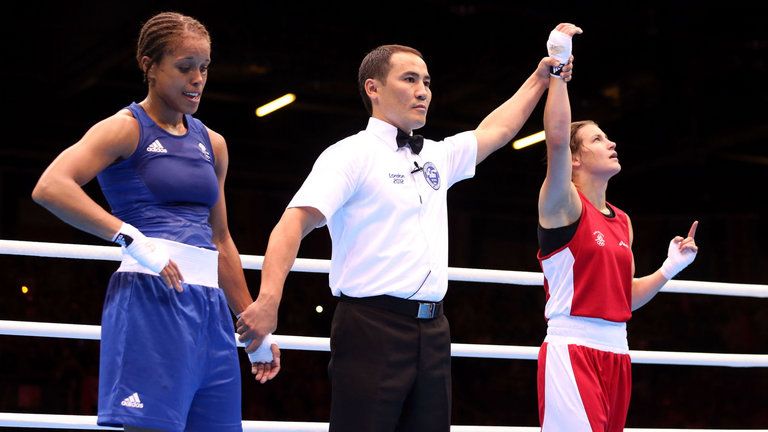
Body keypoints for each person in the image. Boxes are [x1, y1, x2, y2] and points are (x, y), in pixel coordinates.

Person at [236, 24, 575, 431]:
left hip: (434, 330)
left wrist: (541, 77)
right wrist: (269, 299)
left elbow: (496, 130)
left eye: (427, 82)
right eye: (410, 79)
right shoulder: (350, 154)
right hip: (370, 325)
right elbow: (291, 224)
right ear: (373, 88)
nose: (423, 91)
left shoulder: (436, 155)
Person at [31, 11, 279, 432]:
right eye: (184, 67)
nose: (197, 79)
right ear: (149, 66)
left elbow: (221, 239)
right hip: (151, 297)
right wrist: (129, 237)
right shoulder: (125, 129)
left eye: (204, 67)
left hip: (210, 312)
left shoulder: (213, 143)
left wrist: (253, 328)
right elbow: (51, 186)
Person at [536, 24, 699, 431]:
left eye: (607, 137)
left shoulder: (622, 220)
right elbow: (557, 141)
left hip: (618, 351)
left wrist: (669, 268)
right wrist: (558, 70)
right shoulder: (561, 204)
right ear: (575, 159)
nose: (611, 143)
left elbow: (625, 297)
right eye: (597, 139)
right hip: (572, 349)